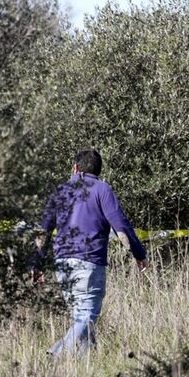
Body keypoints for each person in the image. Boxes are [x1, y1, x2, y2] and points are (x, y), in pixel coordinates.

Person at [38, 149, 148, 355]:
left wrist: (36, 263)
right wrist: (139, 253)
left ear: (76, 168)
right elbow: (121, 227)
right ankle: (57, 354)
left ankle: (86, 365)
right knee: (87, 316)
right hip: (89, 262)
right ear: (97, 170)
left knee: (81, 319)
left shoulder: (60, 191)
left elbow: (42, 231)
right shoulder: (102, 190)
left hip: (62, 264)